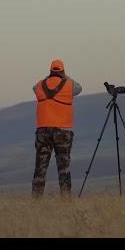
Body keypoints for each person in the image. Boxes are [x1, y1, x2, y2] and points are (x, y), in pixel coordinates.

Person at [32, 59, 82, 198]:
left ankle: (36, 200)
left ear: (50, 71)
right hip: (62, 130)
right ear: (62, 70)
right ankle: (65, 199)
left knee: (40, 167)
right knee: (63, 166)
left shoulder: (40, 85)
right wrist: (65, 77)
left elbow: (34, 89)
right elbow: (79, 88)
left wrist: (48, 78)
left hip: (43, 130)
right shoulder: (70, 84)